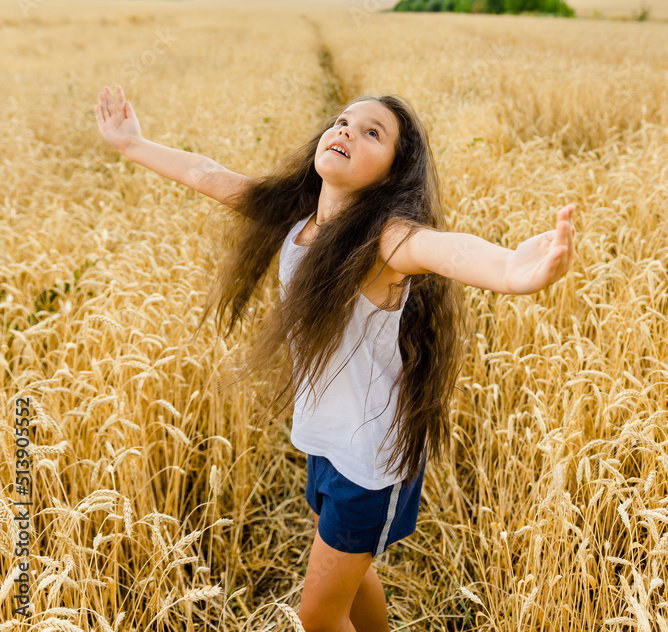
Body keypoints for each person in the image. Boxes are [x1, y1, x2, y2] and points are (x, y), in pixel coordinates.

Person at [95, 83, 576, 632]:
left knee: (318, 616)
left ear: (394, 174)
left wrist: (512, 271)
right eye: (344, 121)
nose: (347, 130)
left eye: (373, 132)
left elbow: (441, 249)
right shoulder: (297, 219)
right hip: (326, 438)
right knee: (350, 571)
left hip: (370, 461)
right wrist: (132, 145)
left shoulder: (385, 241)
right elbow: (207, 175)